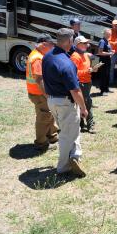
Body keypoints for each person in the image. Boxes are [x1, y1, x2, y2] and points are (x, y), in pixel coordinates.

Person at [42, 28, 88, 177]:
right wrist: (83, 108)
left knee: (70, 130)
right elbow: (75, 91)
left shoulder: (47, 56)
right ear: (69, 41)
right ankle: (63, 167)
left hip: (52, 101)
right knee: (67, 135)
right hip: (65, 103)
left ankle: (74, 156)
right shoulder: (67, 64)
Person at [25, 33, 58, 150]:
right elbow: (39, 80)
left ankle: (52, 136)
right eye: (51, 44)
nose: (53, 47)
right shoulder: (38, 58)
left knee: (48, 114)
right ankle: (41, 143)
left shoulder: (37, 54)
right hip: (39, 93)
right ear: (44, 44)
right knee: (43, 118)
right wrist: (47, 94)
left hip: (38, 92)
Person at [70, 36, 98, 134]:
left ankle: (81, 124)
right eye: (84, 43)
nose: (87, 45)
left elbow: (94, 59)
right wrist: (87, 71)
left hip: (87, 82)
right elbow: (74, 73)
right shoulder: (75, 56)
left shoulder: (85, 55)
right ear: (77, 45)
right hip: (80, 83)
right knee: (86, 103)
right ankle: (89, 125)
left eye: (87, 43)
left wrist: (94, 68)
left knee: (84, 103)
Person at [97, 28, 114, 96]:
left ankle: (106, 89)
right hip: (103, 61)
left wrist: (111, 52)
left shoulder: (107, 41)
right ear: (104, 34)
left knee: (107, 75)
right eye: (108, 34)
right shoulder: (102, 41)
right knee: (103, 76)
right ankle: (102, 91)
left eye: (110, 34)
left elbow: (107, 50)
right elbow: (100, 52)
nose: (109, 35)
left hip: (107, 60)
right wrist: (109, 54)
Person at [109, 20, 117, 84]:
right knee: (111, 67)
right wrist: (116, 43)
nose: (116, 26)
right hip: (113, 52)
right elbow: (109, 42)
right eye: (115, 25)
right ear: (112, 25)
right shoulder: (109, 32)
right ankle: (111, 81)